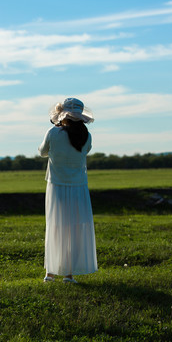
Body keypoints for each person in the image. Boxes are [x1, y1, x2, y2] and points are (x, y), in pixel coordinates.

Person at [38, 97, 98, 283]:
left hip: (56, 186)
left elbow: (42, 152)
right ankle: (69, 274)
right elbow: (85, 151)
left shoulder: (53, 133)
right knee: (74, 229)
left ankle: (50, 273)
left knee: (55, 226)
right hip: (79, 187)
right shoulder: (86, 136)